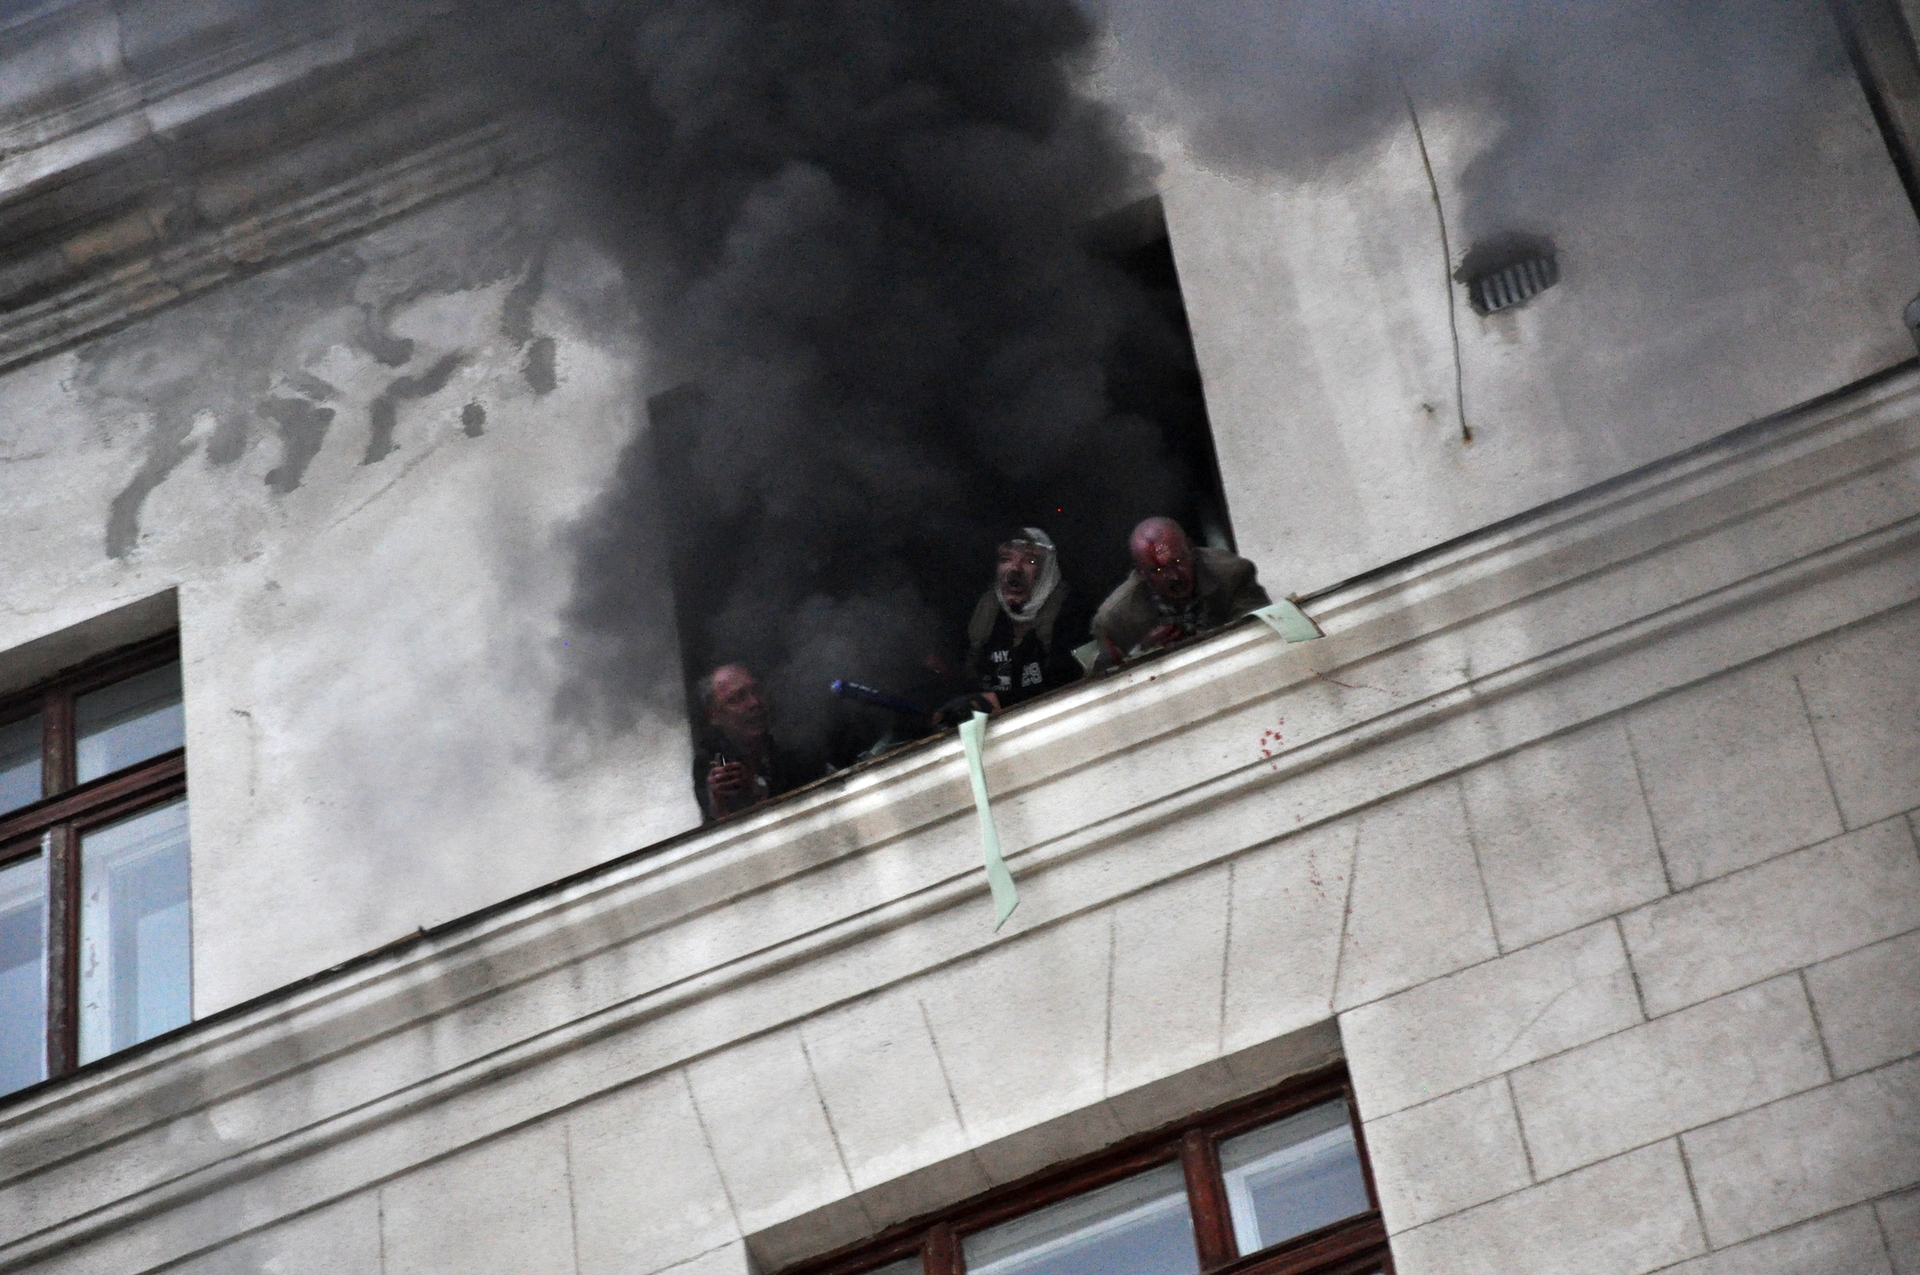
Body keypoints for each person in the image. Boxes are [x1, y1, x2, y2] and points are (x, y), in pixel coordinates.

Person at [937, 527, 1082, 723]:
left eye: (1030, 561)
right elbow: (965, 681)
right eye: (1006, 559)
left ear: (1047, 569)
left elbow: (1072, 686)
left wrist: (1000, 701)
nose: (1015, 568)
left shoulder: (1069, 614)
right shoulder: (983, 618)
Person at [1091, 516, 1270, 666]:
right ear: (1142, 573)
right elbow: (1102, 682)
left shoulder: (1232, 574)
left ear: (1191, 549)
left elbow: (1263, 633)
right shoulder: (1115, 618)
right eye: (1159, 571)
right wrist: (1141, 654)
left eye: (1177, 562)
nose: (1174, 577)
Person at [691, 663, 810, 821]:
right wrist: (718, 806)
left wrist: (757, 787)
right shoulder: (707, 760)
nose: (754, 703)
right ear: (714, 715)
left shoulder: (793, 741)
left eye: (756, 691)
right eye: (736, 699)